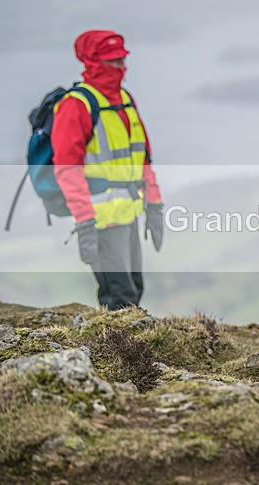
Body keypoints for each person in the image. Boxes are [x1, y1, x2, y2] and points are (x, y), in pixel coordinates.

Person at [52, 30, 164, 311]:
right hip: (100, 220)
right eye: (113, 60)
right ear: (93, 61)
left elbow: (144, 161)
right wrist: (85, 223)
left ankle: (129, 351)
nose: (120, 67)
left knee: (134, 290)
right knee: (119, 297)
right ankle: (116, 353)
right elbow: (67, 170)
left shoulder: (125, 100)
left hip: (129, 214)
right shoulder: (76, 105)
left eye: (122, 59)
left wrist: (155, 206)